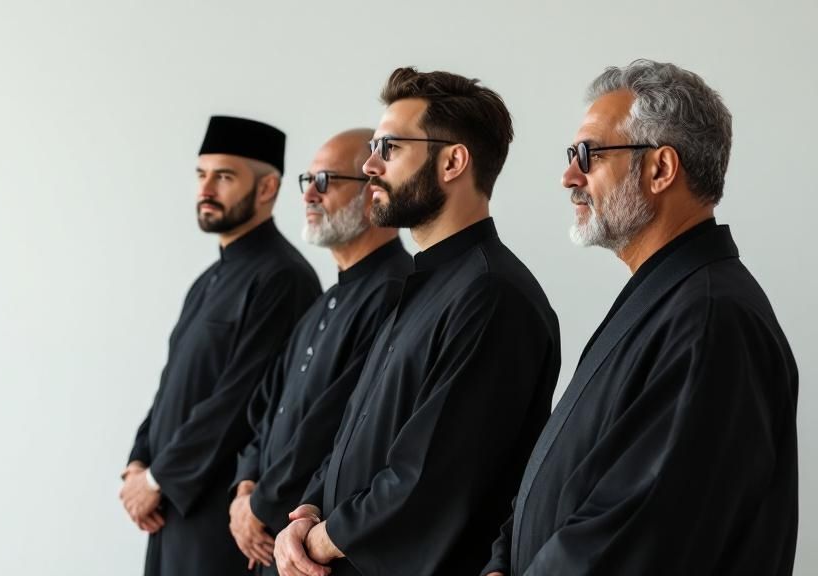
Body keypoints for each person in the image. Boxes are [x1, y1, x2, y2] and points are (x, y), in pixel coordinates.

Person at [482, 59, 799, 576]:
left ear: (660, 169)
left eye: (587, 155)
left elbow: (638, 531)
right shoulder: (664, 298)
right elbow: (561, 469)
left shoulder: (711, 320)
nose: (568, 177)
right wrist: (501, 561)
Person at [274, 68, 561, 576]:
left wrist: (321, 539)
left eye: (389, 149)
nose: (368, 166)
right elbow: (353, 438)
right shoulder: (422, 284)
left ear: (452, 161)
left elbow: (431, 474)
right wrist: (309, 510)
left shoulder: (494, 295)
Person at [119, 115, 321, 576]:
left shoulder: (282, 278)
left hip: (218, 516)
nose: (206, 188)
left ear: (268, 188)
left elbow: (239, 400)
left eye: (224, 177)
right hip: (169, 507)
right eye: (200, 175)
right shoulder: (207, 280)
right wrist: (138, 462)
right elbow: (172, 385)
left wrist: (157, 478)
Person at [228, 128, 412, 574]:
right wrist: (245, 487)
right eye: (306, 181)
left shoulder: (395, 292)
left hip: (313, 540)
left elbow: (332, 424)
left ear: (374, 190)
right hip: (274, 537)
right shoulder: (326, 299)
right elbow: (267, 404)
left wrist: (263, 505)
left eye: (326, 180)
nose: (309, 194)